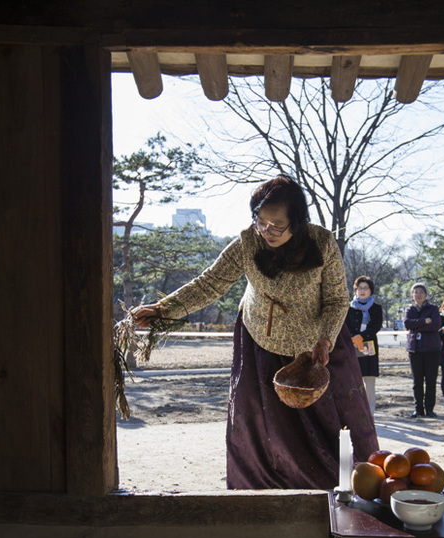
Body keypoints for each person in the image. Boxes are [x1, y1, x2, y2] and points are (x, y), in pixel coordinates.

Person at [131, 175, 378, 489]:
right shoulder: (248, 241)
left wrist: (325, 338)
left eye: (277, 225)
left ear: (297, 221)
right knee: (264, 427)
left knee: (334, 425)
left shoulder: (322, 242)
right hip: (262, 341)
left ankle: (342, 488)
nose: (266, 231)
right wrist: (163, 309)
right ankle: (263, 492)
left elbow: (336, 299)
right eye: (260, 221)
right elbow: (210, 283)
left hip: (318, 345)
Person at [344, 275, 383, 415]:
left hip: (369, 346)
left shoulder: (376, 308)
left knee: (369, 380)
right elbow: (345, 325)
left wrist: (362, 336)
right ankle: (355, 413)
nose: (362, 291)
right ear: (355, 290)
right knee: (353, 379)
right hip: (352, 345)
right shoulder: (348, 308)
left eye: (365, 288)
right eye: (359, 288)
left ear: (370, 291)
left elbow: (376, 326)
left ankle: (370, 414)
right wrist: (354, 338)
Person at [403, 283, 441, 418]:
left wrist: (417, 326)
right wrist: (424, 321)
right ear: (412, 296)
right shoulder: (409, 309)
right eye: (415, 292)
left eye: (421, 292)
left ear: (425, 295)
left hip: (432, 349)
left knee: (431, 380)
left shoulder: (433, 308)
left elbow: (435, 325)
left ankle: (429, 408)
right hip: (415, 349)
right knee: (417, 381)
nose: (418, 294)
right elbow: (407, 324)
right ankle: (418, 409)